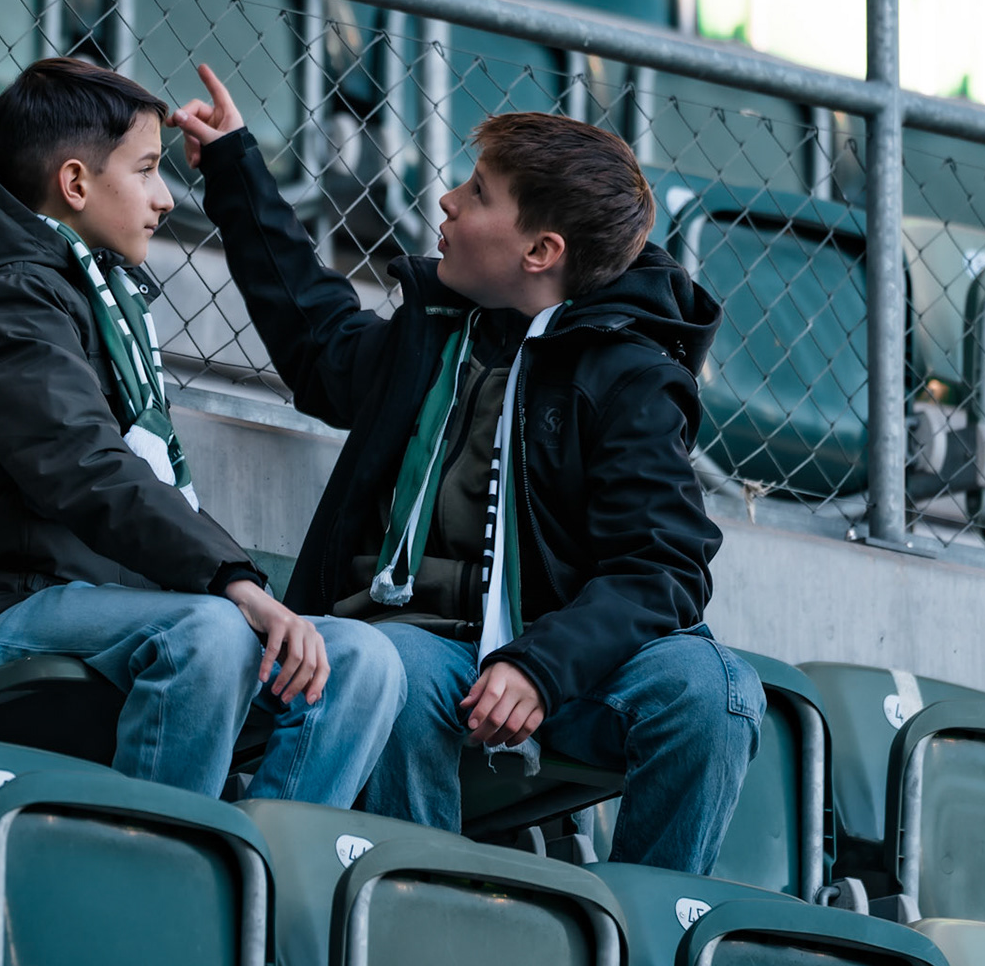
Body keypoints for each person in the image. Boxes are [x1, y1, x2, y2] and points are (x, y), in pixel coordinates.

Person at [174, 64, 765, 873]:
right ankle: (417, 909)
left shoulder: (630, 375)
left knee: (713, 691)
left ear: (541, 251)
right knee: (398, 667)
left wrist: (541, 665)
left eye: (478, 193)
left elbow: (660, 568)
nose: (447, 202)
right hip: (416, 649)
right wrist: (236, 169)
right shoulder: (437, 331)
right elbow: (317, 342)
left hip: (558, 663)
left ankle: (648, 931)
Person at [0, 57, 405, 805]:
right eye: (146, 170)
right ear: (76, 183)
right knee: (209, 635)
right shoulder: (2, 304)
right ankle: (156, 863)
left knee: (363, 661)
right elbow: (88, 469)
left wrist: (230, 587)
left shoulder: (100, 295)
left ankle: (257, 865)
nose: (163, 196)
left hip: (103, 601)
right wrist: (235, 581)